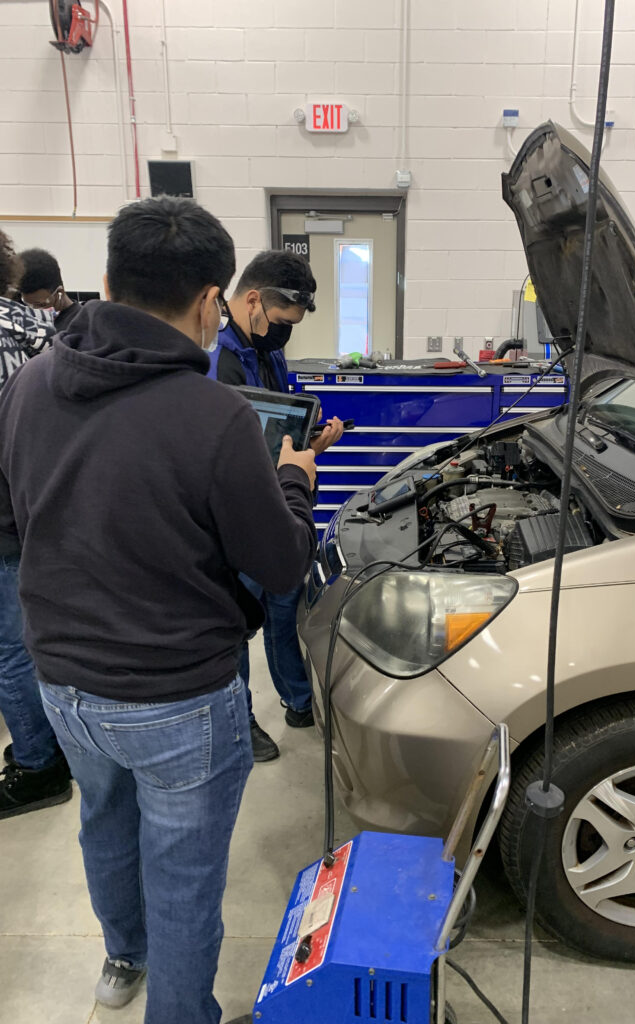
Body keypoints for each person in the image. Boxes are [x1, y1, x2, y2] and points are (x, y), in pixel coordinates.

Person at [0, 196, 317, 1024]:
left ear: (106, 281)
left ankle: (122, 961)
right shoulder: (215, 418)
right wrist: (293, 478)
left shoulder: (28, 387)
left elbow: (14, 526)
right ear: (214, 299)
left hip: (64, 682)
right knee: (183, 872)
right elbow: (279, 562)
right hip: (177, 694)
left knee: (104, 823)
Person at [208, 250, 343, 761]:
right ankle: (238, 721)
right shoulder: (217, 360)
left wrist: (313, 444)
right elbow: (229, 454)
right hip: (239, 513)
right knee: (239, 621)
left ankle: (297, 699)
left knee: (286, 608)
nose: (282, 334)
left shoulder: (268, 353)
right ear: (252, 300)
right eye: (281, 322)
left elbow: (276, 428)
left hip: (279, 501)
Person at [0, 229, 70, 819]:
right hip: (45, 508)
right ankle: (55, 747)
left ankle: (37, 765)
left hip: (4, 516)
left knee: (10, 649)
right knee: (37, 633)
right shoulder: (41, 331)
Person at [19, 247, 82, 331]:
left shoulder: (82, 324)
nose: (34, 311)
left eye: (41, 305)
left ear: (60, 292)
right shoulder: (23, 321)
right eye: (27, 304)